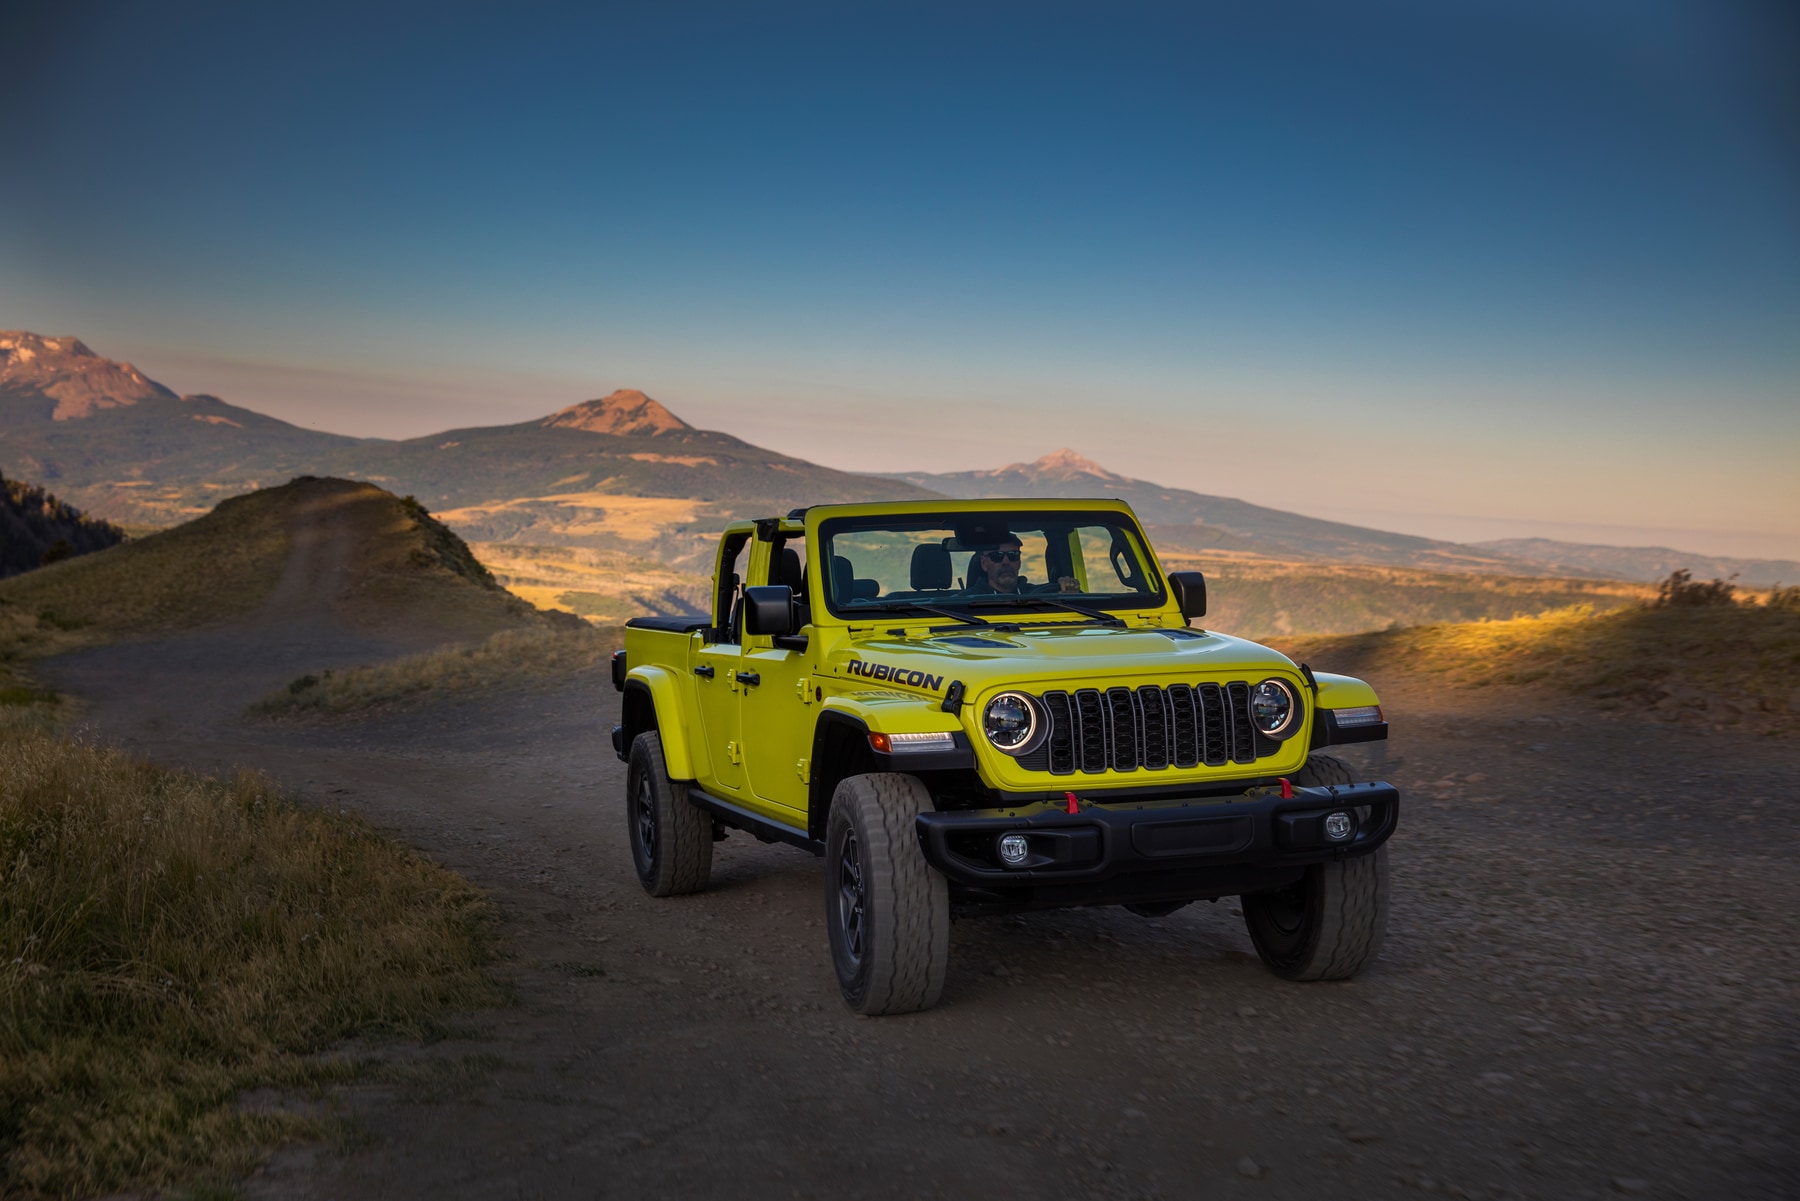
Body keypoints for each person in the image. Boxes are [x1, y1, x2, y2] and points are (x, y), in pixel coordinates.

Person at [968, 533, 1080, 594]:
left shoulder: (1043, 596)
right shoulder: (963, 604)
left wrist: (1068, 589)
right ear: (984, 563)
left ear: (1019, 561)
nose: (1006, 562)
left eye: (1013, 555)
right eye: (997, 556)